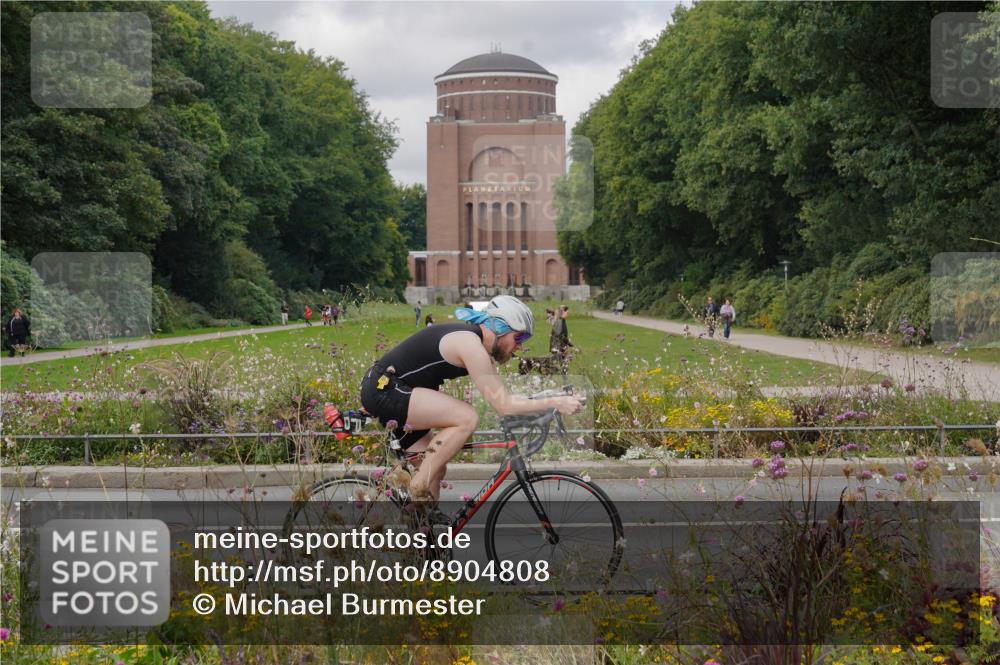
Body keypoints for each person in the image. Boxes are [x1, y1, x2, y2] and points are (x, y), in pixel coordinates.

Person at [348, 295, 582, 504]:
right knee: (467, 417)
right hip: (385, 388)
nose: (520, 345)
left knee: (435, 471)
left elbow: (505, 399)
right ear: (499, 328)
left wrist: (551, 396)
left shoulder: (480, 349)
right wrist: (555, 402)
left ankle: (424, 543)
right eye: (519, 336)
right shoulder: (470, 346)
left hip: (394, 389)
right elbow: (503, 406)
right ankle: (416, 488)